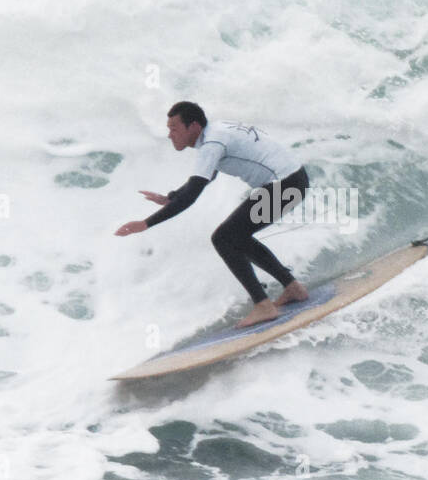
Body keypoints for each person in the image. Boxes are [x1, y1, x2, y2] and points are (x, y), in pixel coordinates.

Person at [115, 101, 310, 327]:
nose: (170, 135)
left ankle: (263, 305)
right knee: (236, 236)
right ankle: (292, 288)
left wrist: (146, 223)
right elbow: (203, 178)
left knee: (223, 238)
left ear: (194, 126)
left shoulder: (212, 142)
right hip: (292, 180)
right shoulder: (215, 133)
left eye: (174, 129)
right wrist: (172, 196)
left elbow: (192, 195)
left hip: (284, 185)